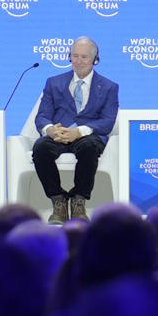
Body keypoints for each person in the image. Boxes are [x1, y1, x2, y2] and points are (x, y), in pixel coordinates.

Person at [31, 36, 119, 225]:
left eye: (84, 57)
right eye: (74, 56)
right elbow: (42, 116)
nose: (78, 61)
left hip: (88, 136)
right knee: (40, 148)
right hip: (59, 134)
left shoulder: (110, 87)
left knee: (88, 147)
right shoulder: (53, 83)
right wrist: (50, 130)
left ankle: (79, 201)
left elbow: (107, 122)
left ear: (95, 60)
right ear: (68, 56)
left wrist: (79, 131)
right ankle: (58, 201)